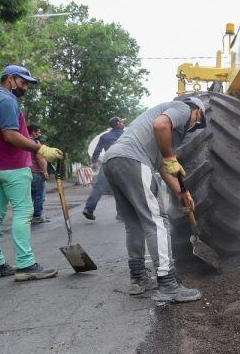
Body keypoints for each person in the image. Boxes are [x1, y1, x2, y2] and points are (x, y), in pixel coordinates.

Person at [102, 97, 206, 302]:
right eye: (196, 123)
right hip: (133, 160)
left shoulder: (155, 133)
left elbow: (161, 166)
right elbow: (161, 126)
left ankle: (139, 277)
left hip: (113, 162)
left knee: (134, 224)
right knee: (157, 220)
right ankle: (168, 284)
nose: (192, 127)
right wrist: (169, 157)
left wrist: (181, 193)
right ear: (198, 112)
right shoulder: (184, 108)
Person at [0, 65, 64, 281]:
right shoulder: (6, 101)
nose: (25, 88)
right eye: (23, 82)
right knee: (24, 212)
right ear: (10, 79)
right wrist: (40, 148)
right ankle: (26, 264)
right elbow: (10, 136)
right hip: (11, 167)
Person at [82, 116, 126, 220]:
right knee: (121, 188)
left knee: (99, 187)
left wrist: (94, 162)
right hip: (122, 164)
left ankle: (89, 208)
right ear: (119, 124)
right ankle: (121, 214)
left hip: (108, 163)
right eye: (121, 122)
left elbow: (97, 151)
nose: (123, 123)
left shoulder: (105, 136)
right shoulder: (127, 135)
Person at [27, 124, 50, 225]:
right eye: (38, 131)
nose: (39, 133)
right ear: (33, 132)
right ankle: (37, 217)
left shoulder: (22, 141)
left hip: (26, 173)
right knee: (39, 196)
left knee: (29, 197)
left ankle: (27, 217)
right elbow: (40, 158)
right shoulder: (35, 143)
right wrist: (44, 171)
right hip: (36, 173)